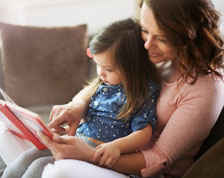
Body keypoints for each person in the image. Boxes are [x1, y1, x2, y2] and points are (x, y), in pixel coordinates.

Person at [37, 0, 224, 178]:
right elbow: (101, 84)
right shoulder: (155, 55)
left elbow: (159, 158)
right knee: (17, 143)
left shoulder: (206, 88)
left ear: (190, 35)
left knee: (56, 172)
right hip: (102, 149)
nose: (147, 44)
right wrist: (76, 105)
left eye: (162, 38)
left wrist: (90, 154)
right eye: (145, 30)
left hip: (142, 171)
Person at [1, 18, 160, 178]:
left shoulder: (142, 93)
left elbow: (143, 134)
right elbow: (84, 102)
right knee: (27, 158)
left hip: (99, 153)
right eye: (97, 65)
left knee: (40, 166)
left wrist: (116, 147)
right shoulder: (104, 84)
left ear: (133, 67)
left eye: (108, 69)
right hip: (78, 140)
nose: (100, 73)